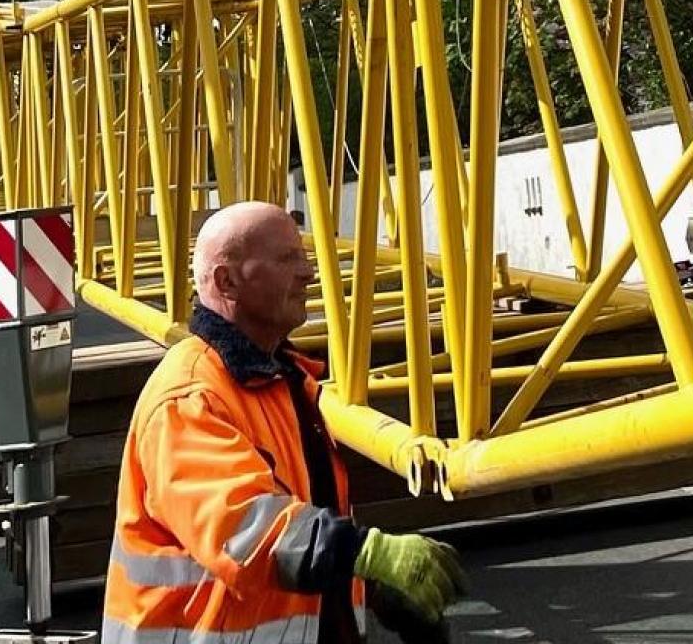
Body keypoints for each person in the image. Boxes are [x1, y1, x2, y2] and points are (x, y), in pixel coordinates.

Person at [102, 201, 465, 644]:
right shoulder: (191, 398)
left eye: (304, 257)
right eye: (286, 259)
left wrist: (370, 586)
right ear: (226, 281)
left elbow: (301, 523)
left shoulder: (278, 380)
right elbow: (245, 531)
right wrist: (368, 555)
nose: (308, 273)